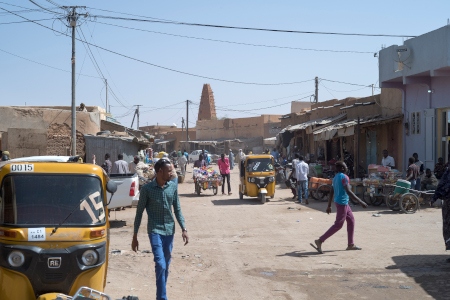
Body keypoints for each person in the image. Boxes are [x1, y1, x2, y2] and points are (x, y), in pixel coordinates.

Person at [132, 159, 188, 299]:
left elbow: (178, 210)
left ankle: (160, 294)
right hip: (155, 230)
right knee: (160, 263)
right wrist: (135, 236)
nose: (171, 173)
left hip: (169, 230)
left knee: (166, 264)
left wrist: (184, 228)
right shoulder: (147, 190)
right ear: (159, 172)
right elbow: (139, 213)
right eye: (168, 171)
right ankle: (162, 297)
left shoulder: (172, 188)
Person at [311, 161, 368, 254]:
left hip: (340, 202)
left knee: (351, 221)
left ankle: (351, 244)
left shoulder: (335, 178)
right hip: (342, 203)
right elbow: (348, 191)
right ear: (342, 168)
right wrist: (360, 201)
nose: (347, 168)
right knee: (338, 224)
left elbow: (332, 191)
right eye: (345, 166)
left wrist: (329, 205)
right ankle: (320, 240)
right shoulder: (344, 177)